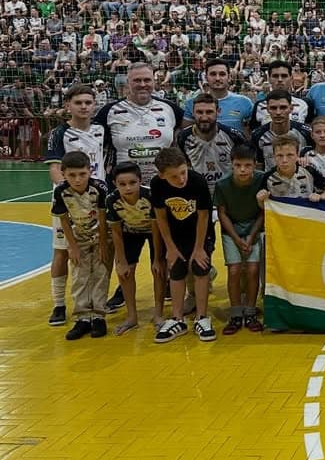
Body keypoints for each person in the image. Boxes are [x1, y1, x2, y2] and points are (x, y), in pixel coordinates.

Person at [43, 84, 106, 327]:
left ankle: (95, 305)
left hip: (96, 201)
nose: (83, 107)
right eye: (78, 102)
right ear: (68, 105)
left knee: (99, 252)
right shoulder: (59, 134)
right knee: (62, 252)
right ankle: (59, 304)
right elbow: (55, 169)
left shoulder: (101, 130)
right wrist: (70, 196)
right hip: (68, 202)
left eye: (88, 103)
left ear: (94, 105)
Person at [150, 147, 215, 344]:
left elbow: (204, 216)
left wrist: (198, 248)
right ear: (162, 176)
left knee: (199, 266)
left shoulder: (197, 181)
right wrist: (169, 247)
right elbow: (160, 216)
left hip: (200, 233)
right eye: (174, 177)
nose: (181, 179)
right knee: (176, 269)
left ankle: (202, 317)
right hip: (175, 233)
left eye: (183, 172)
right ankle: (178, 319)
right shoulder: (157, 185)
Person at [51, 151, 110, 341]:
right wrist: (72, 246)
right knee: (79, 275)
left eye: (82, 174)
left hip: (101, 235)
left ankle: (99, 316)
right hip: (78, 237)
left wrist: (102, 244)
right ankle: (82, 317)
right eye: (72, 175)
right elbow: (64, 220)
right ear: (63, 174)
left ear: (90, 171)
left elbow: (103, 217)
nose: (77, 180)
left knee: (100, 273)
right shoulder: (60, 191)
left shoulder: (100, 188)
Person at [97, 61, 184, 184]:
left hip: (163, 184)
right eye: (137, 80)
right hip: (124, 187)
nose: (143, 84)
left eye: (147, 80)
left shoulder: (170, 108)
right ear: (128, 82)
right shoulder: (109, 111)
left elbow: (190, 131)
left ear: (154, 81)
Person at [215, 145, 265, 336]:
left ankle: (251, 312)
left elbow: (263, 211)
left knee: (253, 269)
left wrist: (251, 236)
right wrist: (237, 239)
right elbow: (222, 214)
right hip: (232, 231)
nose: (242, 170)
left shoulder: (262, 179)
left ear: (254, 165)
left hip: (254, 229)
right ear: (231, 165)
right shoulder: (222, 184)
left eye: (247, 165)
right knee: (234, 270)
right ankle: (236, 314)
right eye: (238, 165)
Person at [105, 161, 161, 335]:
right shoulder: (112, 200)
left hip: (154, 232)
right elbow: (116, 231)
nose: (128, 188)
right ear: (115, 184)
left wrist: (158, 259)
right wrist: (120, 260)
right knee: (125, 271)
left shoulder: (150, 196)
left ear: (140, 180)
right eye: (122, 184)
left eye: (132, 183)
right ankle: (131, 316)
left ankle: (158, 314)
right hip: (130, 232)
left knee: (158, 270)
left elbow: (157, 226)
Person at [176, 93, 247, 195]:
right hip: (198, 195)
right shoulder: (183, 137)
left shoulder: (234, 136)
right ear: (193, 113)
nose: (204, 117)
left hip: (229, 195)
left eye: (209, 112)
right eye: (199, 112)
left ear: (218, 112)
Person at [182, 57, 253, 133]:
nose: (217, 78)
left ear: (229, 77)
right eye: (213, 74)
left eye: (222, 74)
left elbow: (250, 134)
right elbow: (187, 135)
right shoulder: (192, 103)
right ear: (206, 77)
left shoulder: (244, 102)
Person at [251, 89, 314, 171]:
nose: (278, 112)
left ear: (291, 108)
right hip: (271, 181)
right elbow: (259, 165)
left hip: (300, 181)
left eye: (283, 107)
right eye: (273, 108)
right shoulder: (258, 135)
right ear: (267, 109)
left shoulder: (306, 132)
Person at [256, 136, 325, 202]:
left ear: (297, 155)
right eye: (280, 155)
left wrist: (321, 197)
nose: (284, 160)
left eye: (290, 155)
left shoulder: (308, 170)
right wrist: (261, 200)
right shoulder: (268, 177)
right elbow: (263, 206)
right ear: (274, 156)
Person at [251, 61, 315, 126]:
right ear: (269, 79)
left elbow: (309, 131)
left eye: (284, 76)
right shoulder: (259, 106)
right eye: (275, 76)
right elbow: (254, 133)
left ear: (291, 78)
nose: (280, 80)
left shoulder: (305, 104)